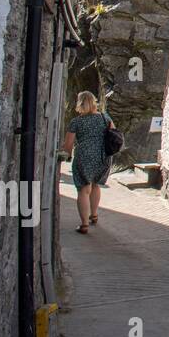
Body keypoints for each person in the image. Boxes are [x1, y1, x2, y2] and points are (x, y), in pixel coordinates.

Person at [62, 91, 115, 233]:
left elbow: (68, 145)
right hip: (103, 156)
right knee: (96, 185)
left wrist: (64, 155)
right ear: (94, 102)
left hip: (83, 156)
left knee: (83, 190)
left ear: (80, 104)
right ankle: (94, 215)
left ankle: (84, 224)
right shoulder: (105, 118)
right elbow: (114, 134)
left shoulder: (76, 122)